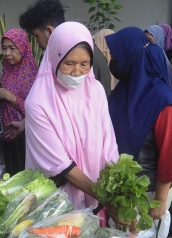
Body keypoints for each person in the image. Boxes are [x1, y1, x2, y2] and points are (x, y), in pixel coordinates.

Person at [24, 22, 119, 217]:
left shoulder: (96, 91)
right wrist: (105, 198)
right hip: (58, 203)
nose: (77, 72)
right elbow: (62, 166)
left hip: (97, 198)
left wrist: (116, 191)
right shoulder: (38, 102)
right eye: (69, 63)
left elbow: (108, 142)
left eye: (85, 64)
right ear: (54, 58)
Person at [106, 27, 172, 221]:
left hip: (147, 192)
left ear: (131, 57)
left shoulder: (162, 101)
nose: (113, 61)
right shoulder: (124, 90)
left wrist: (160, 201)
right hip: (120, 187)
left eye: (116, 56)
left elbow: (169, 155)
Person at [19, 0, 111, 94]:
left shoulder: (92, 57)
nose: (37, 42)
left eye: (36, 36)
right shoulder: (59, 56)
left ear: (49, 31)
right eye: (69, 64)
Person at [0, 28, 38, 175]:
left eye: (12, 48)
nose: (7, 53)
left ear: (23, 48)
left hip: (25, 137)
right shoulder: (7, 70)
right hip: (8, 136)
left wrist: (8, 96)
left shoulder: (30, 74)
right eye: (4, 48)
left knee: (25, 176)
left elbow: (36, 109)